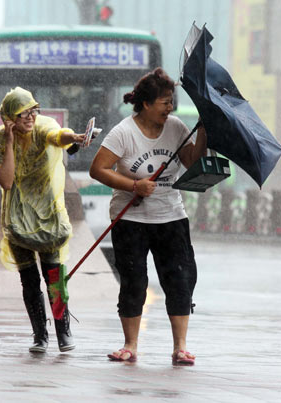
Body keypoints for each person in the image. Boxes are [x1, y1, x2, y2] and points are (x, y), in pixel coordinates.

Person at [89, 68, 207, 365]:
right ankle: (130, 345)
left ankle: (180, 347)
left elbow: (191, 161)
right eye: (165, 102)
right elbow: (98, 169)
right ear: (145, 104)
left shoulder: (178, 127)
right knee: (134, 281)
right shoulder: (124, 132)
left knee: (179, 279)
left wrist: (204, 129)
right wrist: (134, 186)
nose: (170, 108)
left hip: (171, 216)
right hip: (131, 221)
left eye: (171, 102)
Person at [0, 87, 92, 354]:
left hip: (48, 215)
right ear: (10, 116)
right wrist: (11, 143)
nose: (30, 116)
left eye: (33, 110)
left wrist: (76, 137)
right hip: (17, 217)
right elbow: (6, 180)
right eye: (24, 112)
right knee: (29, 279)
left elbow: (58, 136)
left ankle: (63, 330)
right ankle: (40, 334)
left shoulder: (43, 126)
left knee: (55, 276)